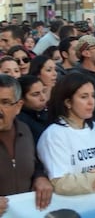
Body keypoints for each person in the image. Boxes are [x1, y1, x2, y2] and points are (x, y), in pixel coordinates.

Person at [37, 73, 95, 195]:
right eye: (84, 97)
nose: (91, 102)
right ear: (68, 102)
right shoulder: (54, 134)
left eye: (93, 96)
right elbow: (61, 183)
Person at [0, 75, 53, 212]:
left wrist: (40, 177)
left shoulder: (26, 130)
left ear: (18, 106)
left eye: (5, 102)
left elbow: (34, 163)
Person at [17, 75, 48, 144]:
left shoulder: (48, 113)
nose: (43, 98)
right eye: (36, 94)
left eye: (44, 91)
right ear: (22, 98)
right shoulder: (20, 121)